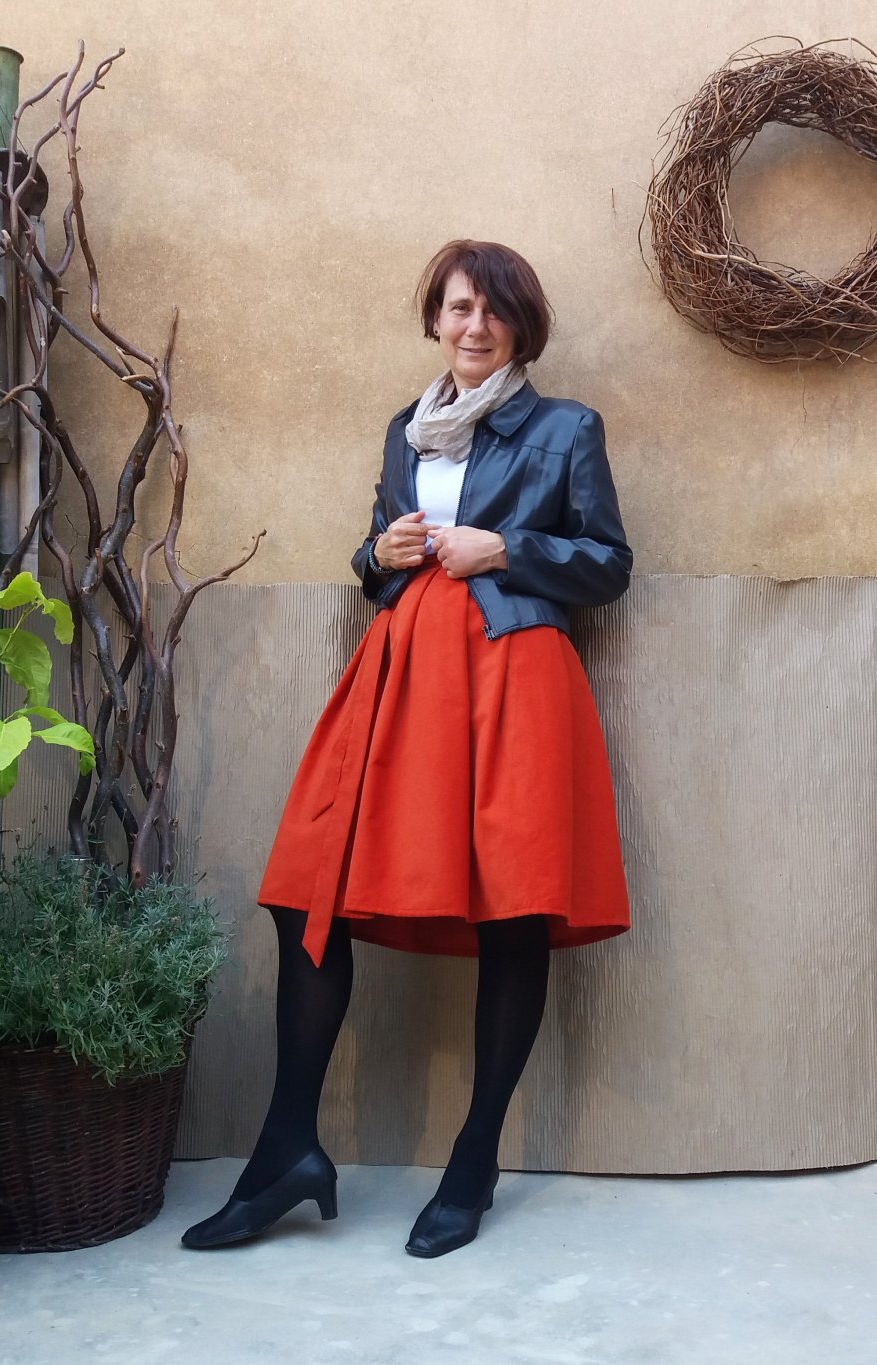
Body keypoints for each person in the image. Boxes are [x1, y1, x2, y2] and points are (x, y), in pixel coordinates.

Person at [182, 240, 633, 1259]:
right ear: (435, 318)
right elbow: (382, 551)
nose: (476, 326)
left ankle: (473, 1162)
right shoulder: (406, 429)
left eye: (495, 311)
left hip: (511, 676)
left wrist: (508, 547)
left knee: (512, 905)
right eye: (459, 307)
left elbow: (609, 564)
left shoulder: (565, 428)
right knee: (308, 884)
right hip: (400, 674)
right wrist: (375, 554)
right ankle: (289, 1148)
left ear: (521, 327)